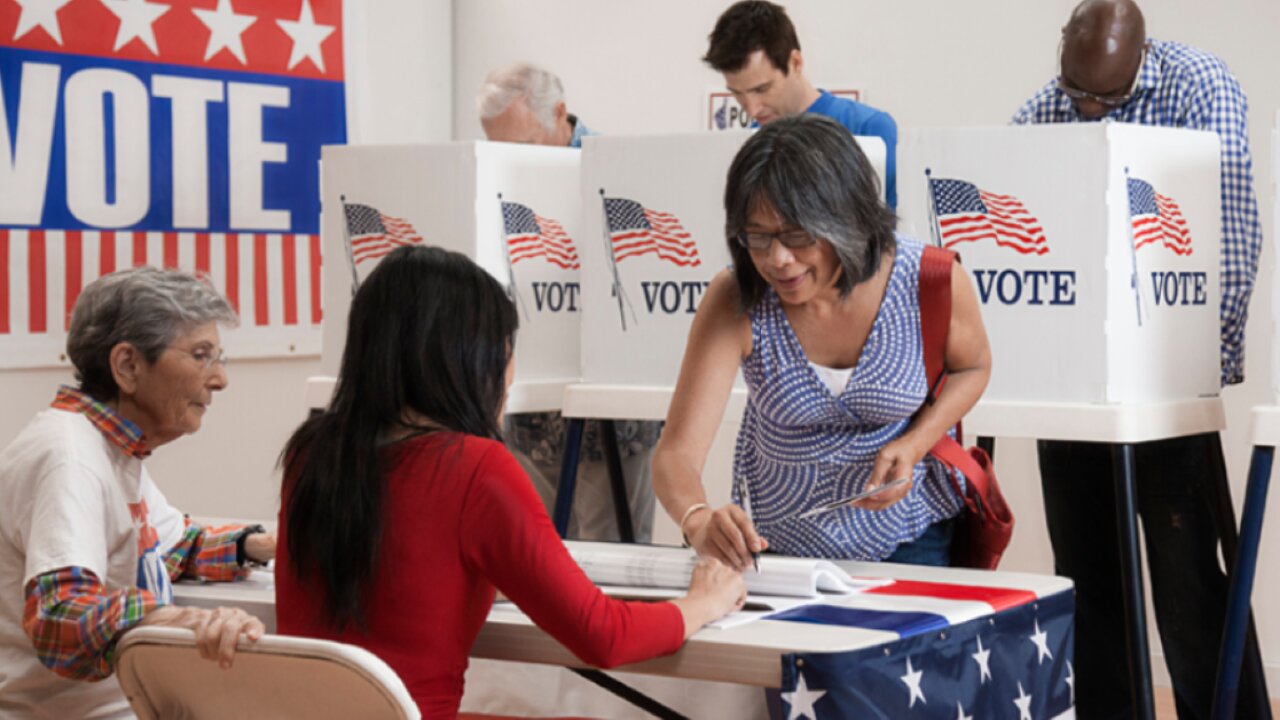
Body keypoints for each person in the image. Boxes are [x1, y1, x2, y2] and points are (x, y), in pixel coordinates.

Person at [274, 246, 745, 718]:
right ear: (466, 360)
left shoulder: (310, 453)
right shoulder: (475, 468)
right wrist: (703, 603)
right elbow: (604, 635)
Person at [1011, 2, 1265, 717]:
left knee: (1187, 577)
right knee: (1087, 573)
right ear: (1062, 52)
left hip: (1163, 376)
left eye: (1108, 99)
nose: (1089, 109)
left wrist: (1200, 367)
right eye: (1077, 93)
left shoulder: (1200, 86)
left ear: (1143, 58)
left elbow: (1233, 226)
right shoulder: (1039, 112)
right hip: (1073, 383)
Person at [652, 114, 991, 569]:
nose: (778, 260)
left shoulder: (929, 279)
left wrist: (913, 444)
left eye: (798, 235)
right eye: (757, 237)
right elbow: (677, 452)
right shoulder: (736, 297)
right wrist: (696, 519)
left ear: (848, 220)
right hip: (778, 549)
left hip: (913, 536)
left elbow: (973, 368)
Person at [0, 267, 274, 719]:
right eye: (202, 355)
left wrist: (259, 546)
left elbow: (173, 548)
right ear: (128, 365)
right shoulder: (68, 457)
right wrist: (179, 619)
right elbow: (61, 618)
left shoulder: (113, 450)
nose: (220, 379)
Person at [477, 61, 662, 542]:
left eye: (522, 146)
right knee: (536, 549)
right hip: (530, 413)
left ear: (560, 113)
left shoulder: (618, 170)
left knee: (612, 558)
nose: (509, 159)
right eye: (496, 148)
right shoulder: (494, 177)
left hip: (610, 415)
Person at [703, 0, 900, 209]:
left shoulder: (869, 129)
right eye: (737, 94)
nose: (752, 109)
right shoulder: (749, 144)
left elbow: (892, 233)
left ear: (795, 63)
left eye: (762, 89)